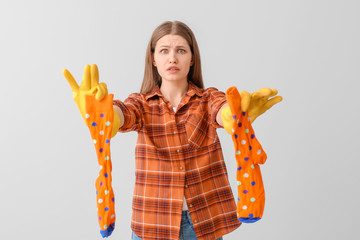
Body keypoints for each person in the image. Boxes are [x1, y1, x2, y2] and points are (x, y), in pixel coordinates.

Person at [63, 20, 282, 240]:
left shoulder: (208, 99)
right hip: (151, 224)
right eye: (164, 51)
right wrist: (102, 115)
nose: (172, 58)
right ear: (154, 59)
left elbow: (222, 110)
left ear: (192, 58)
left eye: (181, 50)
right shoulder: (140, 103)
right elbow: (120, 115)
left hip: (204, 225)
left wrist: (236, 115)